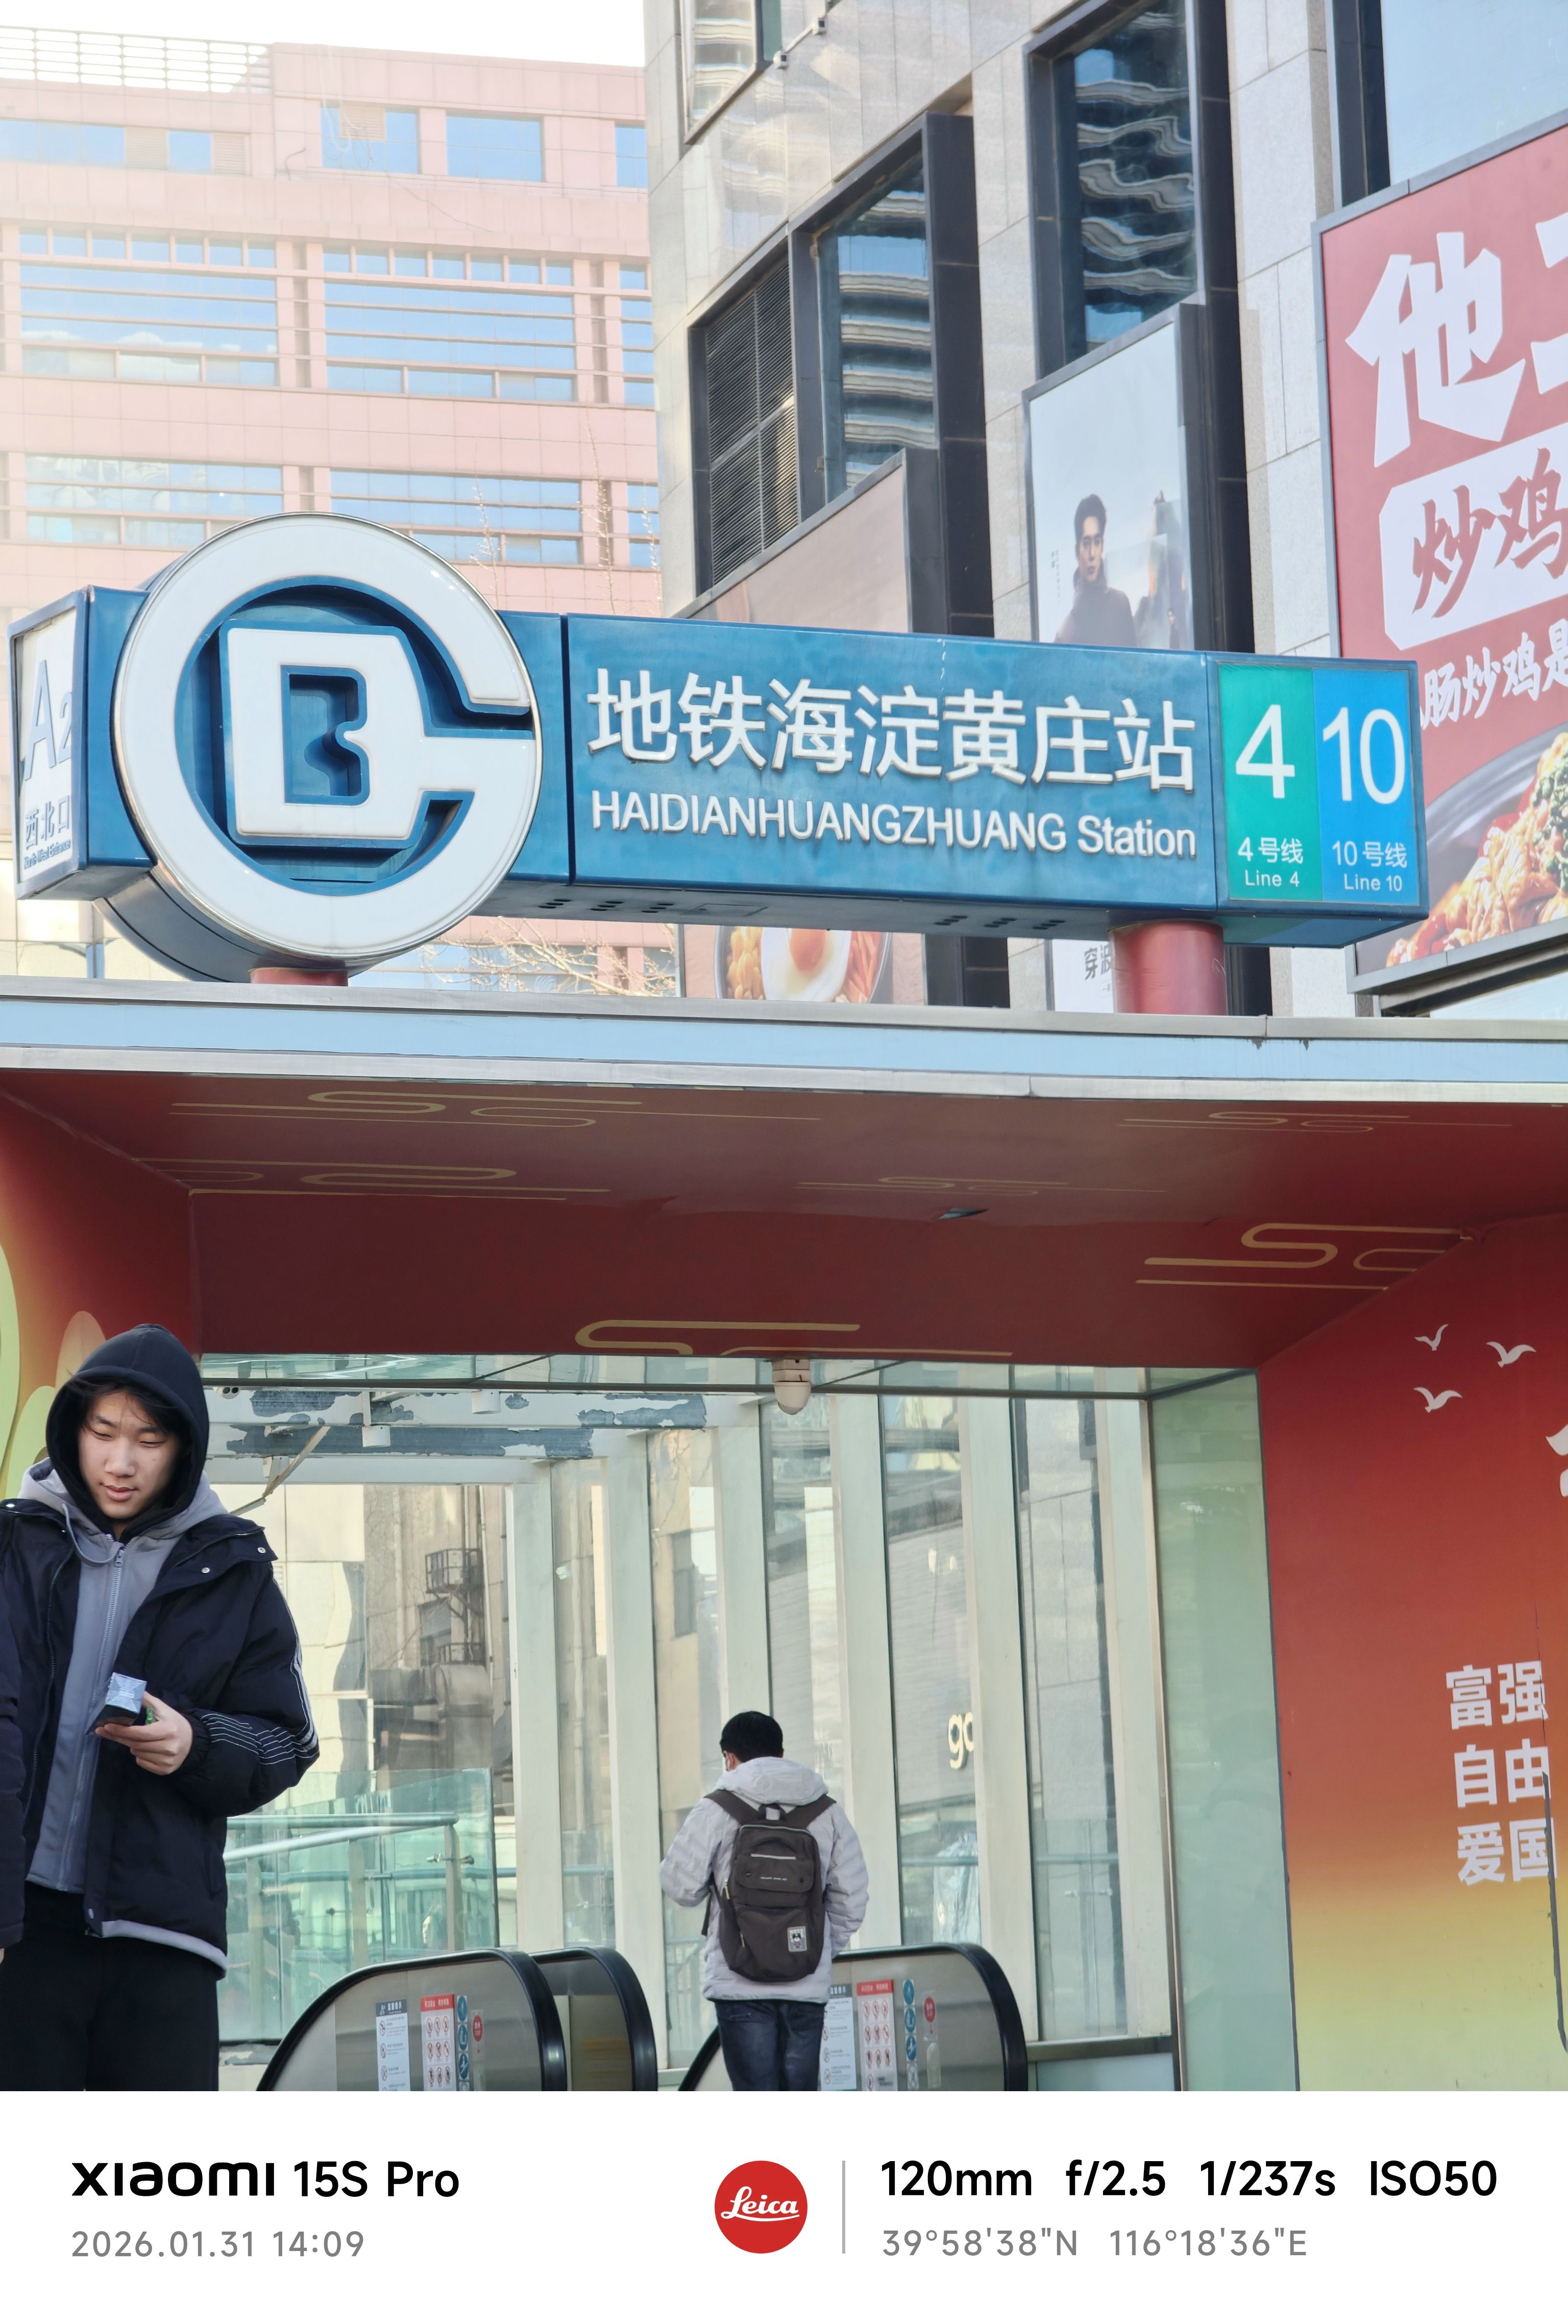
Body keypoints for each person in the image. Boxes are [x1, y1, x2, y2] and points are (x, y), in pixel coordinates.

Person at [0, 1323, 318, 2091]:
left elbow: (289, 1740)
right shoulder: (13, 1546)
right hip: (21, 1930)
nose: (121, 1461)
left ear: (183, 1448)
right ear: (72, 1431)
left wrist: (195, 1743)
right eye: (103, 1431)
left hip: (162, 1939)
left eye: (148, 1439)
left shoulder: (235, 1570)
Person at [658, 1709, 867, 2091]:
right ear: (781, 1753)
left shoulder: (716, 1809)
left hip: (739, 1981)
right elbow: (851, 1900)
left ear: (730, 1758)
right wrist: (814, 1948)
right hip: (805, 1985)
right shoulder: (827, 1812)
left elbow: (679, 1885)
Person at [1054, 492, 1137, 648]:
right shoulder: (1066, 634)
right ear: (1077, 551)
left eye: (1097, 542)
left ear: (1102, 547)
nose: (1092, 554)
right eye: (1086, 543)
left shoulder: (1120, 604)